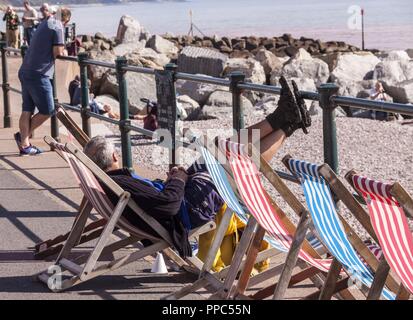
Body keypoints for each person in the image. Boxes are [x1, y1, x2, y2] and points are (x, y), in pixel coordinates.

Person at [82, 76, 311, 258]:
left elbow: (158, 200)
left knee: (220, 147)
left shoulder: (110, 182)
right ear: (114, 155)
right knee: (235, 166)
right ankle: (288, 124)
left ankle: (283, 117)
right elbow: (167, 205)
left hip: (183, 198)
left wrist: (175, 178)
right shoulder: (120, 182)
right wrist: (179, 178)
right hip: (189, 209)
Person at [14, 7, 72, 155]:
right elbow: (57, 52)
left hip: (25, 70)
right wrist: (64, 50)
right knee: (48, 110)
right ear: (67, 20)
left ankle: (25, 144)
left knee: (27, 109)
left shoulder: (45, 23)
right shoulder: (58, 25)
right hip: (39, 74)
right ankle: (23, 138)